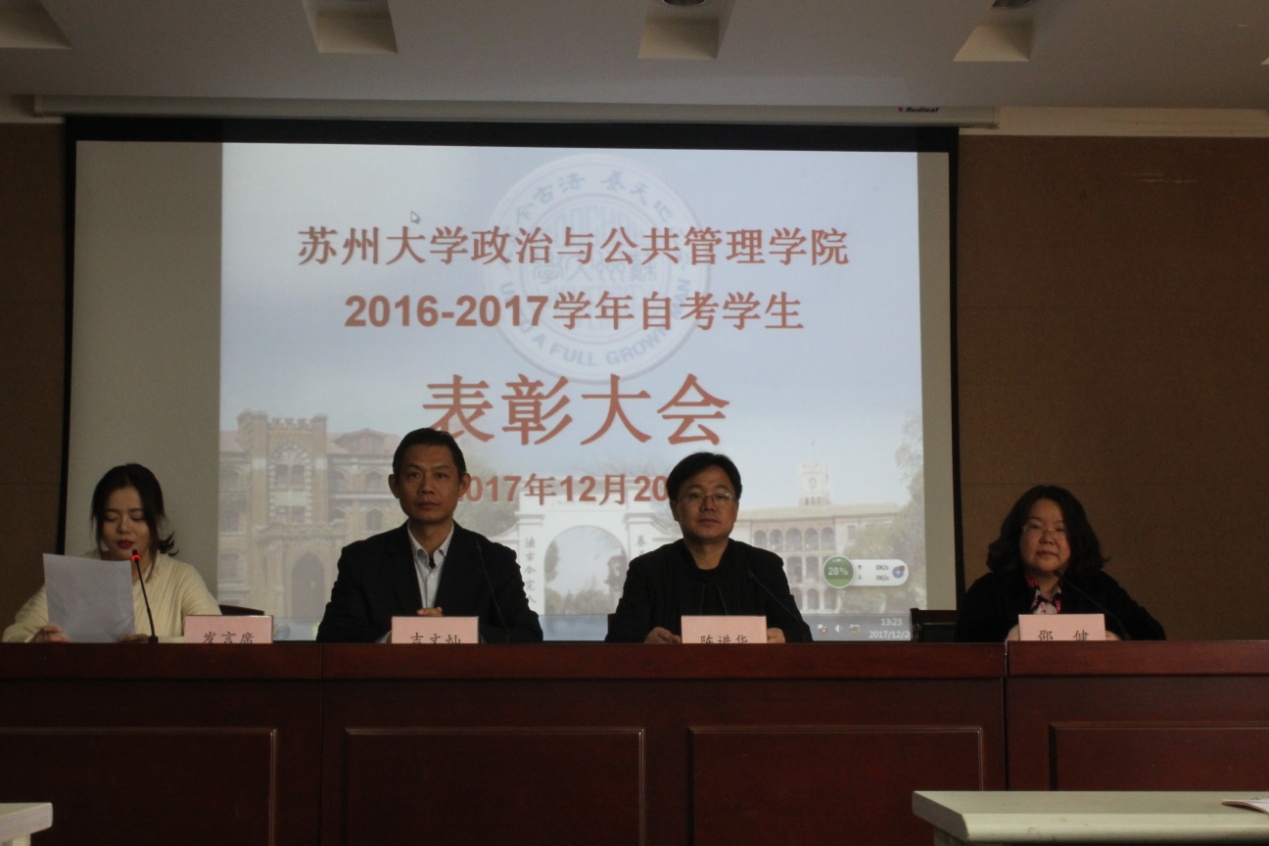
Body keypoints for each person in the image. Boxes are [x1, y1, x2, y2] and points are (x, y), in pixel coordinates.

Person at [316, 427, 542, 643]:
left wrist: (461, 634)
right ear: (394, 485)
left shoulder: (494, 561)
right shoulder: (362, 560)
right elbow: (332, 636)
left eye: (440, 476)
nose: (427, 487)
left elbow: (527, 635)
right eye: (414, 475)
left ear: (462, 485)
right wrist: (391, 640)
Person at [606, 452, 812, 644]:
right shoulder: (648, 570)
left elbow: (801, 635)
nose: (709, 506)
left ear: (735, 509)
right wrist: (644, 642)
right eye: (695, 495)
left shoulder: (763, 568)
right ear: (675, 508)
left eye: (721, 496)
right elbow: (618, 642)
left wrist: (785, 637)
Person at [3, 463, 221, 643]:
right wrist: (37, 641)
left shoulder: (181, 578)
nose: (123, 528)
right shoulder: (75, 575)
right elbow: (13, 637)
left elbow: (217, 639)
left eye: (136, 518)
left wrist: (155, 645)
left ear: (156, 522)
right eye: (111, 518)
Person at [954, 484, 1164, 642]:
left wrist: (1118, 644)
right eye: (1036, 527)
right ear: (1018, 535)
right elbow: (964, 652)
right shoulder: (989, 591)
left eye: (1061, 529)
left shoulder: (1099, 589)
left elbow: (1153, 635)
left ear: (1076, 539)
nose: (1048, 538)